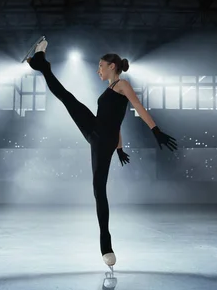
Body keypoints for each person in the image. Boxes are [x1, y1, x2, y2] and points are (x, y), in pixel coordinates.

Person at [26, 39, 178, 268]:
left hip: (100, 139)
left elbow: (138, 107)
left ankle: (106, 244)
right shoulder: (109, 89)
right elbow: (116, 123)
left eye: (100, 66)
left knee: (99, 191)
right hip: (98, 132)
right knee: (67, 97)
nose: (98, 70)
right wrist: (120, 148)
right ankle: (41, 64)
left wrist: (155, 130)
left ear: (112, 66)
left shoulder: (122, 85)